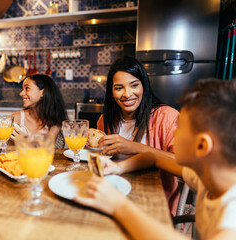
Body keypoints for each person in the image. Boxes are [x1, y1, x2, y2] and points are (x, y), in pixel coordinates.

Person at [75, 78, 236, 239]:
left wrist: (118, 205)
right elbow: (153, 158)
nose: (173, 132)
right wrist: (117, 167)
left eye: (180, 127)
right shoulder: (205, 175)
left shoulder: (232, 212)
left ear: (202, 145)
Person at [95, 56, 179, 215]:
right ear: (111, 91)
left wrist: (134, 147)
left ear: (144, 86)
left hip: (152, 201)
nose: (127, 94)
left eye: (134, 85)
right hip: (114, 195)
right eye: (119, 88)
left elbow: (185, 165)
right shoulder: (105, 120)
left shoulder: (166, 117)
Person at [0, 74, 68, 147]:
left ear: (43, 92)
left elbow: (48, 149)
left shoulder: (54, 123)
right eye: (22, 89)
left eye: (27, 88)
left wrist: (26, 142)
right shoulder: (16, 118)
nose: (21, 93)